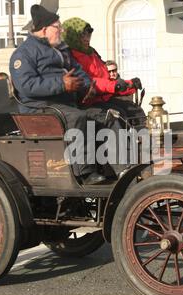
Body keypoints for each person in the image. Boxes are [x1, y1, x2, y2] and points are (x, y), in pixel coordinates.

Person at [10, 4, 105, 185]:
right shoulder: (23, 54)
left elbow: (77, 71)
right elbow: (27, 86)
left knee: (104, 115)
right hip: (38, 108)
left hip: (64, 103)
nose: (61, 30)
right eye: (58, 27)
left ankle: (118, 168)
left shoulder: (61, 49)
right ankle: (83, 173)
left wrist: (87, 86)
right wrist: (61, 84)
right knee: (77, 117)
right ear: (45, 29)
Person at [62, 17, 146, 176]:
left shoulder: (92, 53)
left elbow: (107, 79)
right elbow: (89, 81)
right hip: (84, 103)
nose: (87, 39)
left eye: (88, 35)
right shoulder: (71, 56)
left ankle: (143, 156)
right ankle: (122, 169)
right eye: (83, 36)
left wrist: (129, 85)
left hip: (101, 99)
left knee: (134, 112)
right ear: (74, 37)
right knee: (111, 118)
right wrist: (115, 86)